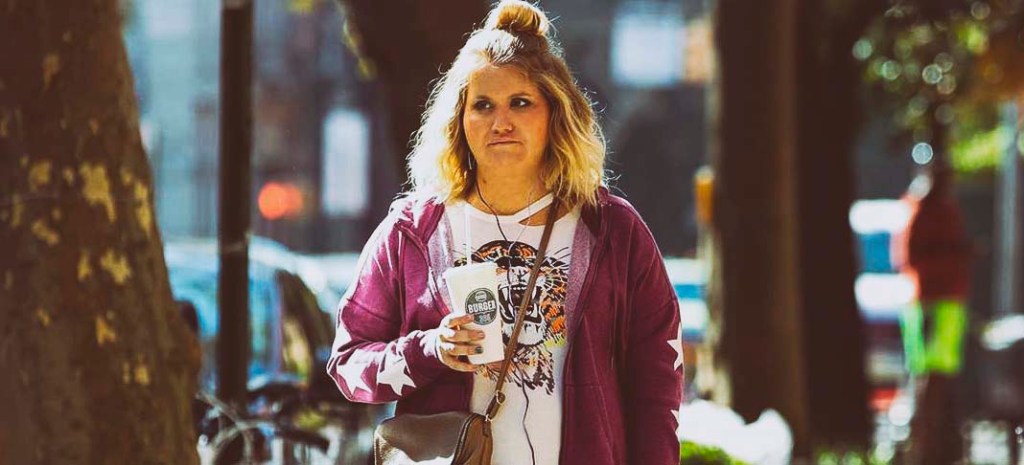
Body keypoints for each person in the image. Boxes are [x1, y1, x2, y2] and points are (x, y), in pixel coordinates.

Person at [326, 2, 683, 464]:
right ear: (460, 120)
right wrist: (430, 350)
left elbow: (657, 384)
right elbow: (349, 366)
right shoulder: (413, 232)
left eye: (520, 102)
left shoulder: (612, 230)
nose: (501, 122)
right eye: (483, 105)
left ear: (555, 113)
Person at [892, 160, 971, 465]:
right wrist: (953, 252)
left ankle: (937, 449)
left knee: (940, 380)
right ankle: (921, 451)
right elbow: (911, 256)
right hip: (929, 303)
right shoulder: (920, 209)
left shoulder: (945, 208)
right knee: (927, 381)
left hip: (947, 303)